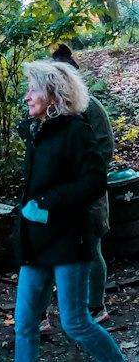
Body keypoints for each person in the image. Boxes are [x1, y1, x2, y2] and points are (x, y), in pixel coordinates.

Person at [0, 60, 137, 362]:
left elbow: (94, 181)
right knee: (25, 321)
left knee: (74, 321)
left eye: (32, 90)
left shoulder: (76, 132)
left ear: (53, 93)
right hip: (36, 243)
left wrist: (47, 204)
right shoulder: (37, 131)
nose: (26, 96)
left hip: (69, 240)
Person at [51, 44, 115, 323]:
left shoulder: (91, 107)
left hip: (89, 195)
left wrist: (83, 180)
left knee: (92, 248)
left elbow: (105, 148)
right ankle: (72, 302)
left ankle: (96, 305)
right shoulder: (54, 110)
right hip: (63, 195)